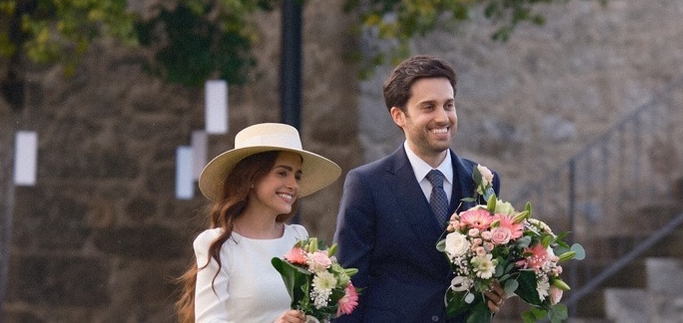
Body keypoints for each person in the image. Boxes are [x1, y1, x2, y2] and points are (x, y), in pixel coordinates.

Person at [333, 55, 502, 322]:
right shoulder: (366, 184)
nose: (442, 117)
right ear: (399, 116)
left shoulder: (482, 180)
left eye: (448, 105)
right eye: (428, 107)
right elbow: (348, 285)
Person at [177, 123, 343, 323]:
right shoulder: (217, 245)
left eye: (297, 176)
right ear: (252, 178)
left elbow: (315, 315)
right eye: (282, 173)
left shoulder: (298, 238)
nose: (293, 185)